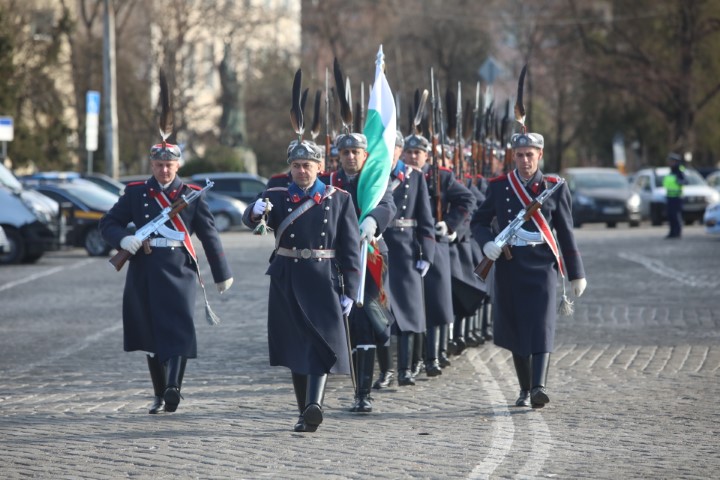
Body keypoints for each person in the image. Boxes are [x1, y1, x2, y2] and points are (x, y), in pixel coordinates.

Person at [99, 141, 233, 414]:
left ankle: (173, 387)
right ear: (151, 165)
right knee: (149, 332)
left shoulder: (192, 195)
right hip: (144, 268)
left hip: (179, 269)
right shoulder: (136, 193)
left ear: (178, 164)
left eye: (169, 165)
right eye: (159, 165)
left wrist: (222, 273)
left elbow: (209, 235)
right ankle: (159, 394)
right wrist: (124, 239)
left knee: (179, 327)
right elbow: (108, 223)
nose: (164, 170)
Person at [242, 140, 362, 432]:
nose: (301, 171)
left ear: (320, 167)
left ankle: (314, 405)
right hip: (288, 276)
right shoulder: (276, 195)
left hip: (324, 278)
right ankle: (304, 411)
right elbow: (253, 220)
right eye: (296, 166)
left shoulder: (339, 198)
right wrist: (255, 211)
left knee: (321, 343)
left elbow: (349, 247)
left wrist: (352, 289)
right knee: (296, 346)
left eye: (307, 165)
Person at [470, 131, 587, 408]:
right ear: (514, 156)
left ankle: (538, 387)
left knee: (541, 324)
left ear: (540, 155)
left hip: (543, 265)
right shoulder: (500, 186)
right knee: (516, 327)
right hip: (510, 264)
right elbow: (479, 221)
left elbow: (566, 231)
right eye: (520, 155)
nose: (524, 160)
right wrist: (487, 244)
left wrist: (576, 272)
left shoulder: (554, 186)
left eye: (530, 155)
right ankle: (524, 389)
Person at [322, 132, 397, 413]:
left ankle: (362, 394)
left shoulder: (375, 179)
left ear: (365, 155)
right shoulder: (330, 182)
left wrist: (373, 222)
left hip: (370, 254)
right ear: (339, 156)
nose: (351, 157)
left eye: (356, 152)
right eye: (346, 153)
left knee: (366, 318)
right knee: (350, 323)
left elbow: (388, 204)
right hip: (338, 257)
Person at [403, 134, 475, 377]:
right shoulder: (399, 176)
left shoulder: (440, 176)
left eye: (418, 153)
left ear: (426, 155)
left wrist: (451, 225)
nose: (413, 157)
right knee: (412, 303)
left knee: (436, 301)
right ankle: (413, 361)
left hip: (435, 242)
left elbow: (467, 199)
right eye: (409, 152)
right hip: (407, 244)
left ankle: (433, 357)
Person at [383, 130, 436, 386]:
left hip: (406, 247)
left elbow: (426, 217)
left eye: (393, 147)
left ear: (400, 150)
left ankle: (405, 369)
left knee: (409, 311)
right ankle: (386, 371)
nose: (389, 151)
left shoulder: (414, 176)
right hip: (379, 246)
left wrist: (427, 252)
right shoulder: (373, 173)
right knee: (381, 311)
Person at [664, 152, 686, 239]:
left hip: (677, 197)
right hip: (670, 197)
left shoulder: (679, 170)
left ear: (675, 162)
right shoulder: (671, 171)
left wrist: (679, 182)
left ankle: (677, 232)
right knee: (670, 215)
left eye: (671, 161)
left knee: (676, 215)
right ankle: (672, 232)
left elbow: (684, 181)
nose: (670, 163)